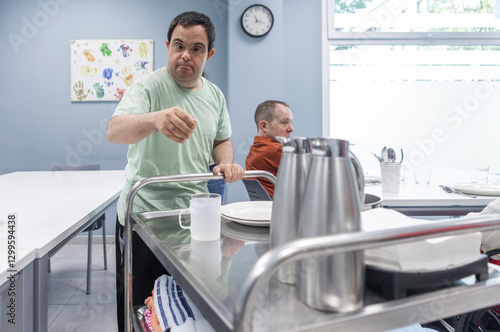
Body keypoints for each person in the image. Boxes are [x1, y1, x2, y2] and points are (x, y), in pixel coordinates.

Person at [107, 11, 244, 331]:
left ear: (208, 54)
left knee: (187, 303)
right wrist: (155, 120)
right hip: (144, 215)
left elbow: (222, 139)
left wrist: (224, 161)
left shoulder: (214, 95)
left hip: (195, 216)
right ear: (168, 46)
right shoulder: (148, 88)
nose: (186, 54)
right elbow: (115, 131)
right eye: (179, 45)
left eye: (196, 48)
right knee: (140, 306)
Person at [245, 100, 294, 198]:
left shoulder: (253, 151)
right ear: (264, 126)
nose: (291, 128)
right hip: (282, 210)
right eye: (284, 123)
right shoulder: (277, 151)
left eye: (290, 123)